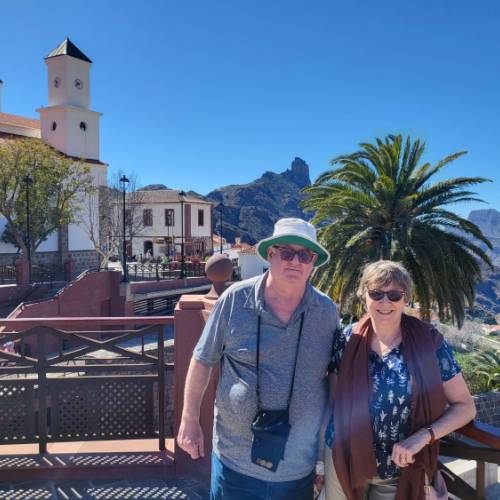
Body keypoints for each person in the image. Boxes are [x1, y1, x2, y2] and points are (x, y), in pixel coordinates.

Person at [177, 218, 340, 500]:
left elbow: (334, 380)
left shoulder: (326, 312)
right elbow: (203, 359)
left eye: (304, 255)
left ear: (313, 262)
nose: (295, 262)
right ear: (271, 254)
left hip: (297, 469)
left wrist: (322, 458)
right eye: (287, 253)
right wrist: (189, 420)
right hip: (234, 463)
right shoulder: (234, 299)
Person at [322, 260, 476, 500]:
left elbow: (465, 407)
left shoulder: (430, 343)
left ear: (406, 299)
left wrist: (423, 437)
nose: (385, 302)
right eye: (376, 294)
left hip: (400, 469)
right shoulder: (347, 339)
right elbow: (333, 403)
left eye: (394, 295)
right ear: (364, 296)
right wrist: (319, 461)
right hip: (343, 460)